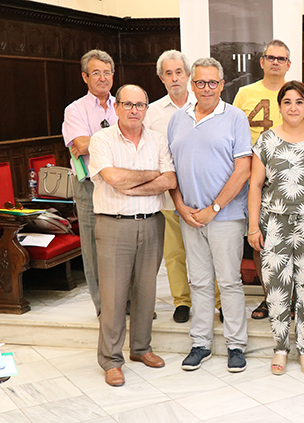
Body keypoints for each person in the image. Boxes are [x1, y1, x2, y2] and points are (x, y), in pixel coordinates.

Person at [89, 84, 176, 386]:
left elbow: (170, 180)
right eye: (127, 104)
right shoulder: (101, 140)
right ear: (116, 107)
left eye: (139, 105)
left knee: (146, 292)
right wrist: (152, 175)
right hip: (114, 225)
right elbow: (112, 177)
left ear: (146, 109)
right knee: (114, 296)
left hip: (152, 223)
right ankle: (111, 360)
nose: (134, 110)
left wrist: (133, 184)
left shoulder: (158, 140)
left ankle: (141, 348)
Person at [169, 57, 251, 373]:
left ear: (222, 84)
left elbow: (243, 170)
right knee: (200, 282)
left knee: (228, 282)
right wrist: (180, 206)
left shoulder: (235, 117)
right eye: (201, 82)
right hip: (189, 217)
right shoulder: (177, 119)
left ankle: (236, 346)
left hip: (225, 216)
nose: (207, 88)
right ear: (192, 84)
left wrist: (213, 208)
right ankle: (200, 343)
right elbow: (170, 169)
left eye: (213, 82)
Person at [248, 81, 304, 375]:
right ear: (280, 106)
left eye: (299, 102)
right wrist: (253, 227)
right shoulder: (266, 141)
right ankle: (281, 348)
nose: (293, 107)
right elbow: (255, 185)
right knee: (277, 290)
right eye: (287, 102)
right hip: (275, 225)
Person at [234, 39, 291, 320]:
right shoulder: (245, 93)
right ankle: (269, 297)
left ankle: (291, 298)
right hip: (254, 180)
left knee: (291, 242)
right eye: (271, 57)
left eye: (281, 58)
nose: (275, 62)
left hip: (290, 179)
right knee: (260, 239)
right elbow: (233, 133)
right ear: (262, 62)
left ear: (288, 64)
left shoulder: (296, 92)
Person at [62, 49, 117, 316]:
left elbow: (89, 143)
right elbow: (80, 145)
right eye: (96, 73)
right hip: (89, 186)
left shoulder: (123, 104)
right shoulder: (75, 110)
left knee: (123, 246)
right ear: (85, 77)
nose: (102, 78)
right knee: (94, 250)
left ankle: (127, 302)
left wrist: (94, 141)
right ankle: (103, 307)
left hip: (120, 184)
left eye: (107, 72)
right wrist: (118, 139)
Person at [145, 49, 196, 324]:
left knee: (207, 252)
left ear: (188, 75)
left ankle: (218, 301)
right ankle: (182, 302)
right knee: (174, 253)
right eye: (168, 73)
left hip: (201, 195)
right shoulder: (151, 112)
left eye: (179, 72)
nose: (175, 78)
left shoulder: (204, 105)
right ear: (161, 78)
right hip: (166, 197)